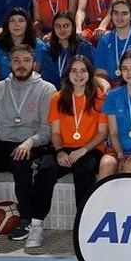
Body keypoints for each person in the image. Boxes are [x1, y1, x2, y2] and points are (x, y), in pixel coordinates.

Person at [0, 45, 57, 249]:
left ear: (33, 64)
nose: (21, 65)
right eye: (16, 60)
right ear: (9, 63)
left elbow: (47, 129)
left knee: (21, 161)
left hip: (32, 142)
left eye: (26, 60)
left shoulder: (47, 89)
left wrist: (29, 142)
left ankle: (26, 218)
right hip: (3, 141)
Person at [43, 53, 107, 214]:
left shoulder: (100, 98)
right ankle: (36, 222)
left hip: (90, 149)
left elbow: (102, 133)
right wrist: (59, 152)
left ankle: (83, 219)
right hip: (63, 149)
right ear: (68, 74)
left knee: (84, 170)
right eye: (74, 71)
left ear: (90, 74)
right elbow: (55, 133)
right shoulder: (57, 99)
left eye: (83, 71)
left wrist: (83, 150)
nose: (79, 75)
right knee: (45, 169)